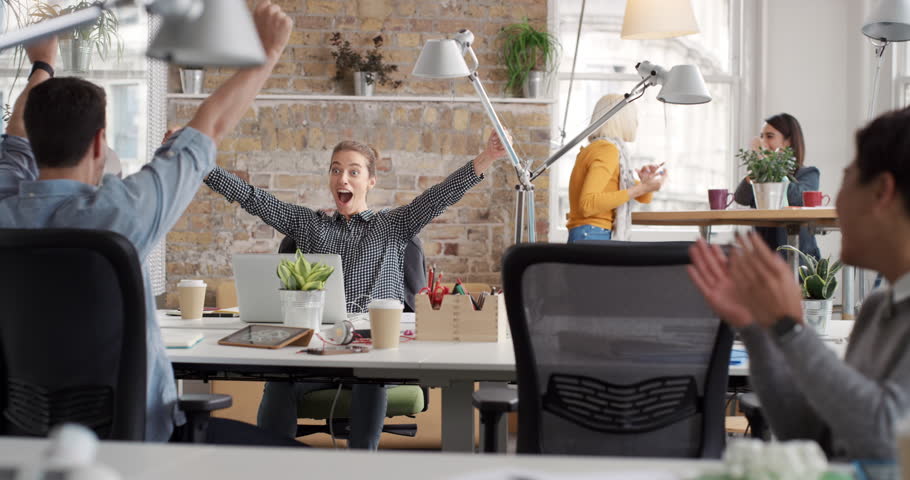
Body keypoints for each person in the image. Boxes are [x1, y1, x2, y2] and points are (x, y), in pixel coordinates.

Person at [0, 1, 293, 442]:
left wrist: (43, 63)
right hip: (139, 445)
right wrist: (268, 51)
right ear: (100, 143)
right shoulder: (124, 212)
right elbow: (208, 127)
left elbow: (15, 139)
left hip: (24, 442)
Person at [204, 131, 509, 449]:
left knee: (371, 377)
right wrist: (203, 167)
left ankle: (360, 468)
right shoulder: (309, 225)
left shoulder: (395, 226)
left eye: (353, 171)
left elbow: (440, 196)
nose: (342, 178)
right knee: (279, 383)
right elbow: (255, 199)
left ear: (371, 181)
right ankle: (277, 465)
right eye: (336, 170)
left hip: (373, 352)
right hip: (321, 352)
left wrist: (486, 157)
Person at [688, 106, 910, 460]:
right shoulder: (876, 311)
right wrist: (756, 328)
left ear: (882, 191)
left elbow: (886, 439)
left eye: (847, 178)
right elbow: (815, 435)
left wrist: (793, 330)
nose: (833, 202)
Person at [565, 94, 666, 243]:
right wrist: (641, 189)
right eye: (633, 117)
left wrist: (645, 184)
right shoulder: (607, 150)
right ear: (621, 120)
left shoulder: (600, 148)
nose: (637, 123)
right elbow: (588, 204)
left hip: (588, 233)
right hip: (592, 234)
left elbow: (644, 198)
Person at [733, 113, 820, 259]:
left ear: (788, 141)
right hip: (763, 256)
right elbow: (741, 197)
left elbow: (797, 197)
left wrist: (768, 164)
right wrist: (758, 168)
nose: (763, 142)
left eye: (769, 136)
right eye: (761, 136)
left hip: (799, 256)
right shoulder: (759, 174)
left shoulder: (808, 173)